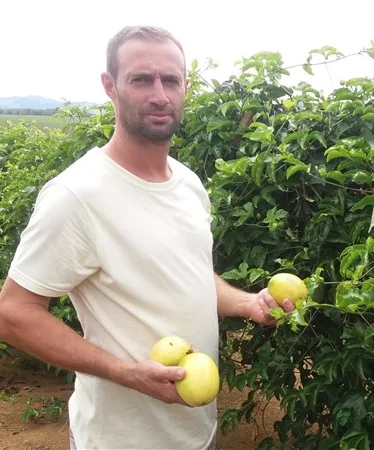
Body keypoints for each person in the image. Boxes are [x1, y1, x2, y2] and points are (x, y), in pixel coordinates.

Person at [0, 25, 294, 449]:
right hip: (121, 438)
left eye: (171, 80)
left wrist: (248, 303)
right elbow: (13, 312)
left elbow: (187, 276)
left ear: (185, 87)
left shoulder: (190, 184)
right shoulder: (77, 195)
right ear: (110, 86)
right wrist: (125, 372)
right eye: (141, 79)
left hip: (196, 433)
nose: (160, 95)